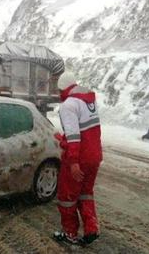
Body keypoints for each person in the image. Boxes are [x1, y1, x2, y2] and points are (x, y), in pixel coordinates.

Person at [53, 71, 103, 246]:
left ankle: (70, 234)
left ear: (63, 89)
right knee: (85, 194)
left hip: (79, 159)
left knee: (67, 197)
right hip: (94, 157)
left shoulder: (68, 105)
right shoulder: (89, 101)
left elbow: (74, 137)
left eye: (59, 91)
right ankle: (91, 229)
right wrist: (64, 139)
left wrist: (73, 162)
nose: (59, 95)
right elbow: (87, 132)